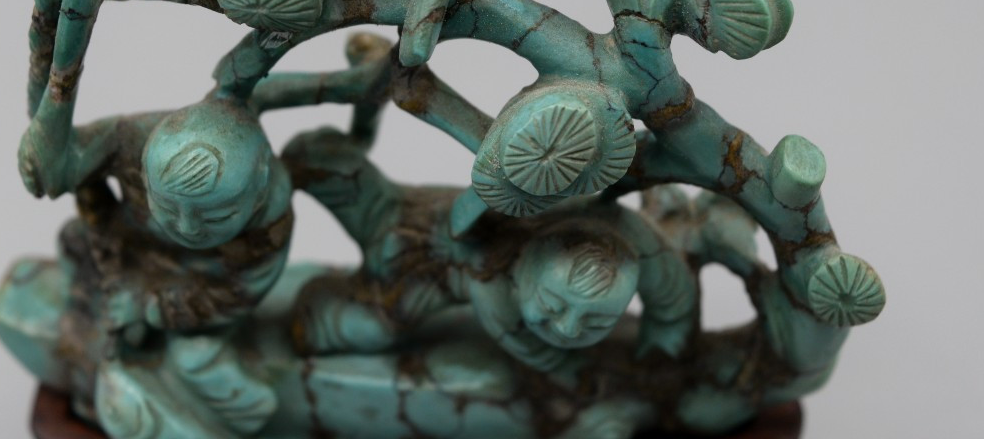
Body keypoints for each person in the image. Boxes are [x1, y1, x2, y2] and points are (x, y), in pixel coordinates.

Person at [286, 127, 697, 372]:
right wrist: (576, 369)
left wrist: (665, 335)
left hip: (432, 255)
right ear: (522, 275)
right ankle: (313, 311)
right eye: (552, 306)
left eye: (595, 324)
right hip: (419, 259)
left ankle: (321, 304)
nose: (569, 330)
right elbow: (541, 354)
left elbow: (672, 295)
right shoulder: (495, 285)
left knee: (369, 316)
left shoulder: (633, 236)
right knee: (366, 323)